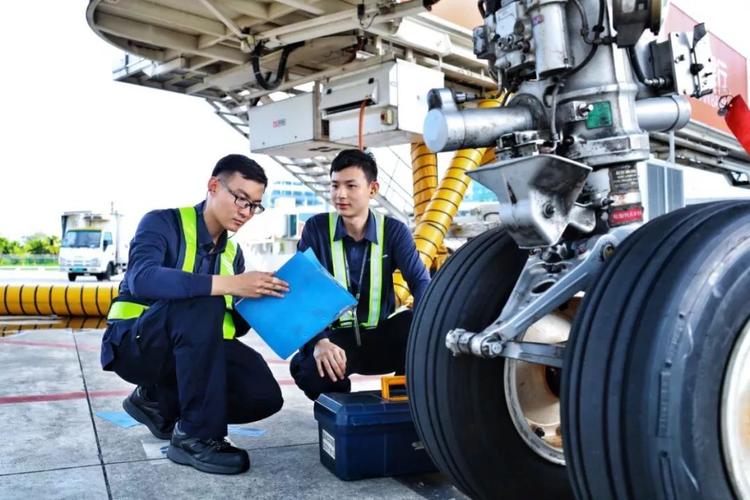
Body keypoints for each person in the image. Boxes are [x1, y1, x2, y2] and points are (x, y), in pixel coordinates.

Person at [100, 154, 290, 475]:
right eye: (241, 199)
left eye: (254, 205)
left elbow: (230, 327)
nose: (246, 211)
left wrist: (262, 297)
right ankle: (194, 435)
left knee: (263, 394)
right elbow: (143, 278)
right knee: (203, 299)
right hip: (134, 346)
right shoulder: (161, 223)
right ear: (213, 186)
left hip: (185, 355)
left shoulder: (233, 253)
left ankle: (159, 401)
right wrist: (228, 285)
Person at [289, 149, 430, 400]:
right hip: (337, 340)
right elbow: (301, 292)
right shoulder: (316, 229)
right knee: (310, 372)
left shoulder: (394, 231)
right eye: (335, 185)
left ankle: (405, 401)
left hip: (381, 336)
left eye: (351, 185)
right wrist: (318, 342)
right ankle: (343, 412)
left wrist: (429, 328)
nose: (340, 194)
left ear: (372, 189)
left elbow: (421, 283)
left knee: (418, 327)